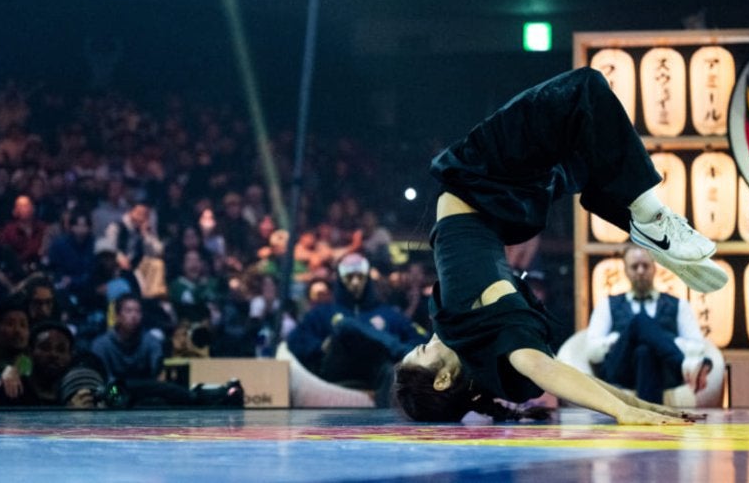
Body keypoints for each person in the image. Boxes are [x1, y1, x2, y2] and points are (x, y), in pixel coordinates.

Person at [394, 68, 724, 424]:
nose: (428, 340)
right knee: (582, 91)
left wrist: (637, 406)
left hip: (507, 206)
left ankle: (640, 223)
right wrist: (627, 411)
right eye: (424, 349)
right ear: (443, 379)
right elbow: (544, 368)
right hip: (479, 177)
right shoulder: (481, 336)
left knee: (582, 147)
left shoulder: (489, 361)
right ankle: (649, 219)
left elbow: (559, 372)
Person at [287, 253, 427, 403]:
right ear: (340, 279)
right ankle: (396, 347)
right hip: (336, 368)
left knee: (390, 370)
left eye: (359, 277)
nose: (355, 282)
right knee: (344, 325)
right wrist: (320, 346)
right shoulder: (322, 312)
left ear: (367, 278)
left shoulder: (388, 314)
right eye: (349, 277)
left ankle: (386, 417)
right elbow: (294, 340)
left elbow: (418, 339)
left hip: (374, 367)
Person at [586, 246, 711, 404]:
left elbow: (698, 346)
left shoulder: (679, 304)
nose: (640, 271)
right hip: (620, 371)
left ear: (654, 267)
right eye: (634, 267)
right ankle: (683, 364)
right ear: (625, 270)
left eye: (645, 265)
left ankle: (647, 417)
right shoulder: (607, 304)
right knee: (639, 322)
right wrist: (619, 339)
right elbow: (592, 351)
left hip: (665, 373)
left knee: (645, 351)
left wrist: (659, 341)